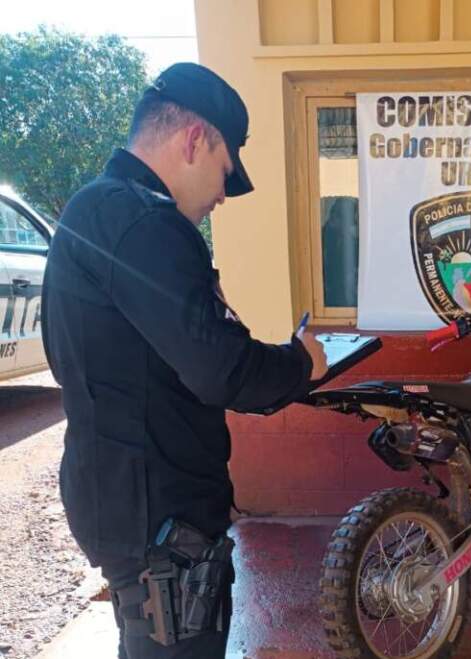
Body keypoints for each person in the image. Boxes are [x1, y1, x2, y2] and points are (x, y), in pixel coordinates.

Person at [41, 62, 328, 658]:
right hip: (159, 519)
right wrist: (302, 364)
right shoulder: (145, 221)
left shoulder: (102, 210)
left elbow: (186, 350)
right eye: (227, 172)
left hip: (134, 501)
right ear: (196, 139)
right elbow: (221, 367)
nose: (224, 194)